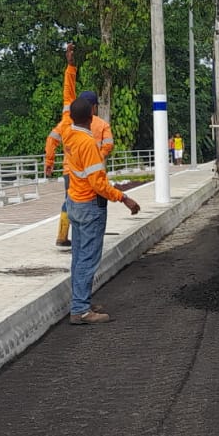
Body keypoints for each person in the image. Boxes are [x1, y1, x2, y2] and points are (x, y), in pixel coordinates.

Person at [61, 95, 140, 324]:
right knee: (87, 259)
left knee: (78, 258)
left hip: (74, 203)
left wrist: (70, 72)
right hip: (90, 206)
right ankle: (81, 310)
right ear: (92, 114)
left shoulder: (68, 134)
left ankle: (80, 301)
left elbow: (68, 97)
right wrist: (123, 198)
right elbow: (98, 184)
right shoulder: (88, 144)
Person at [43, 46, 114, 247]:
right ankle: (82, 238)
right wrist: (97, 157)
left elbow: (51, 139)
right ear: (94, 107)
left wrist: (49, 162)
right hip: (93, 170)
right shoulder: (101, 124)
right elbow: (108, 145)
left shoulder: (67, 120)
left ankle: (63, 235)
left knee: (70, 201)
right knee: (90, 204)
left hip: (70, 170)